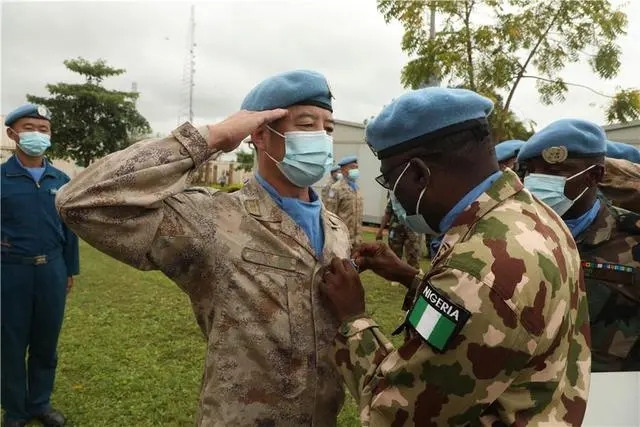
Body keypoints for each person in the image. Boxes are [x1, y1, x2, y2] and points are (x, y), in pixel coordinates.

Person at [55, 70, 351, 427]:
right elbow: (79, 201)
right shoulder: (212, 219)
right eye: (306, 124)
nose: (321, 137)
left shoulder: (336, 230)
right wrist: (212, 137)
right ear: (259, 133)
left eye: (328, 128)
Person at [319, 87, 591, 426]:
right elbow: (497, 322)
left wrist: (352, 317)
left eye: (390, 181)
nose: (394, 195)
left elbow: (395, 413)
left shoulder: (477, 272)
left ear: (419, 173)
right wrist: (410, 276)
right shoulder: (537, 217)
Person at [517, 118, 640, 372]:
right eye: (531, 171)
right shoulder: (515, 234)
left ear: (595, 175)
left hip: (610, 394)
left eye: (553, 173)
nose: (538, 183)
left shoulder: (632, 239)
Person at [1, 104, 80, 427]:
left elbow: (70, 229)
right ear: (12, 134)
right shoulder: (2, 179)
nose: (36, 134)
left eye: (43, 129)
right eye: (29, 127)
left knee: (46, 343)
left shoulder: (61, 180)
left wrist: (70, 270)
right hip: (9, 272)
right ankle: (15, 411)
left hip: (52, 270)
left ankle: (39, 403)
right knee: (10, 344)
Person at [376, 191, 421, 273]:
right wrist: (380, 230)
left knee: (413, 254)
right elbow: (387, 213)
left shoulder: (418, 196)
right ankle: (395, 274)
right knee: (394, 255)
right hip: (396, 230)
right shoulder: (394, 198)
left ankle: (414, 274)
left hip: (412, 230)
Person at [325, 155, 364, 246]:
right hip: (342, 239)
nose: (355, 170)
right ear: (343, 170)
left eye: (356, 167)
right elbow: (330, 215)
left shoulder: (356, 188)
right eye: (352, 167)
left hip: (356, 239)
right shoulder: (336, 188)